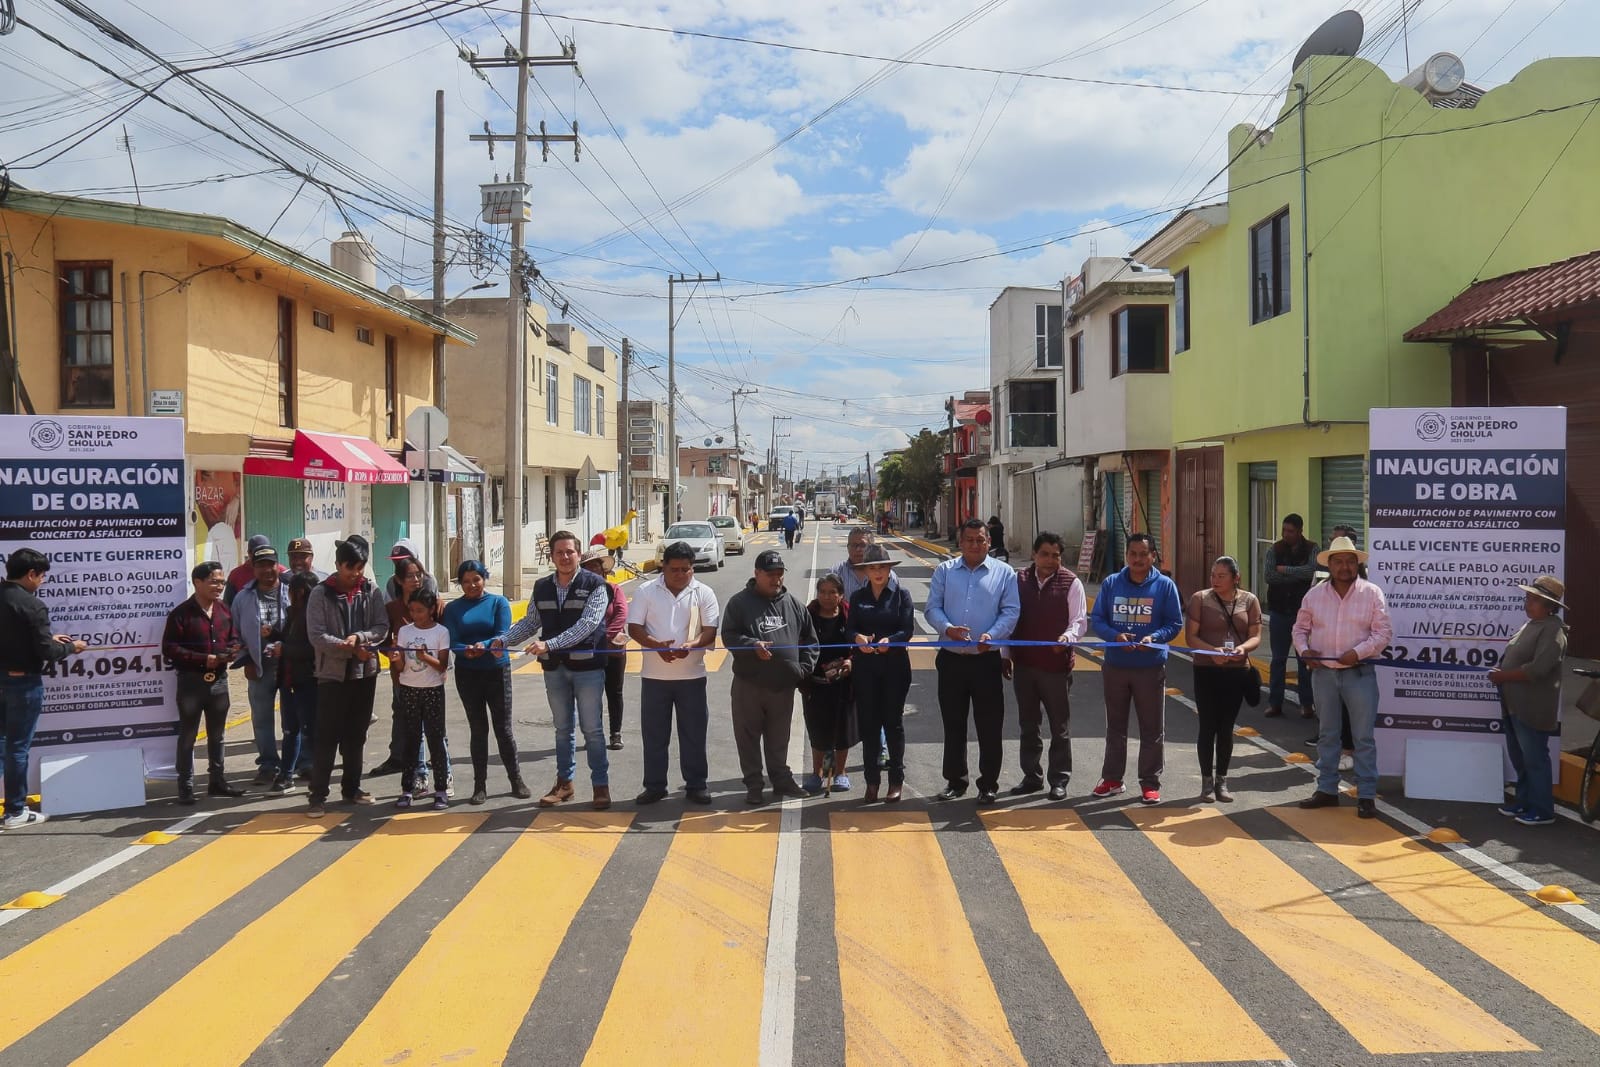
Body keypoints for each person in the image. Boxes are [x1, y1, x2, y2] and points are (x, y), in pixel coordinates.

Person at [504, 530, 612, 810]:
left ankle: (601, 786)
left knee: (593, 730)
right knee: (563, 729)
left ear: (578, 554)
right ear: (551, 556)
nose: (564, 557)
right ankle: (565, 784)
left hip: (587, 667)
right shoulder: (541, 587)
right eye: (559, 552)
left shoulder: (596, 585)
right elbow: (530, 623)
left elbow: (588, 625)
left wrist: (549, 644)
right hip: (554, 670)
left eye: (570, 552)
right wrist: (500, 641)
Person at [1294, 535, 1392, 818]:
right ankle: (1326, 790)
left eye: (1350, 562)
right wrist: (1305, 651)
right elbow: (1300, 630)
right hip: (1323, 674)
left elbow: (1383, 633)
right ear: (1330, 565)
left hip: (1359, 673)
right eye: (1339, 562)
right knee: (1328, 735)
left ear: (1357, 565)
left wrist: (1358, 653)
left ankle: (1366, 795)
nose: (1345, 567)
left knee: (1363, 738)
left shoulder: (1372, 593)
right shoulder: (1314, 595)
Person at [925, 518, 1020, 804]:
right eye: (969, 539)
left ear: (989, 542)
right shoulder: (944, 571)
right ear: (960, 541)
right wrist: (947, 629)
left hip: (986, 661)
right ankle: (956, 781)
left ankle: (988, 784)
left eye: (981, 539)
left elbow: (1011, 611)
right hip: (951, 661)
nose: (975, 545)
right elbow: (932, 608)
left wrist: (993, 634)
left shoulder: (1005, 573)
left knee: (989, 726)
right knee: (954, 725)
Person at [1088, 532, 1184, 804]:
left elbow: (1175, 624)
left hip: (1150, 668)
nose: (1138, 559)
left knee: (1151, 728)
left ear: (1153, 555)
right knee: (1115, 728)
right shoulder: (1110, 584)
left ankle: (1150, 783)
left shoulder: (1165, 586)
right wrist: (1115, 637)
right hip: (1116, 667)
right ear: (1126, 555)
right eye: (1133, 554)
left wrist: (1154, 638)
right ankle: (1112, 779)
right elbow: (1098, 619)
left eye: (1144, 554)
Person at [720, 549, 817, 804]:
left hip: (782, 688)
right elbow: (729, 635)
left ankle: (781, 780)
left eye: (779, 574)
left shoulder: (794, 605)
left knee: (779, 737)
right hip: (748, 685)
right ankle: (754, 784)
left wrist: (802, 670)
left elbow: (811, 640)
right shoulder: (739, 603)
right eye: (770, 575)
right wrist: (752, 645)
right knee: (748, 737)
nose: (776, 580)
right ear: (756, 574)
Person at [0, 548, 86, 828]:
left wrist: (49, 639)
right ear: (31, 574)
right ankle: (15, 811)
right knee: (17, 748)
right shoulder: (32, 605)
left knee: (2, 745)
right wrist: (71, 647)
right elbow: (47, 651)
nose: (43, 581)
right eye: (42, 576)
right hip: (23, 684)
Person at [305, 535, 390, 817]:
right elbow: (317, 636)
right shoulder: (321, 593)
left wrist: (360, 637)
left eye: (360, 568)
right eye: (350, 568)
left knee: (357, 735)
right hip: (331, 675)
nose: (355, 574)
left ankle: (352, 788)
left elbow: (381, 627)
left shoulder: (371, 591)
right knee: (327, 736)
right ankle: (318, 795)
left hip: (365, 674)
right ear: (338, 564)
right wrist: (350, 649)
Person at [629, 541, 720, 804]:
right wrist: (654, 645)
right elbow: (634, 627)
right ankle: (655, 785)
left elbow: (710, 630)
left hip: (692, 677)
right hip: (654, 678)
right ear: (663, 567)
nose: (681, 574)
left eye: (686, 569)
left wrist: (693, 645)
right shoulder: (646, 591)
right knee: (655, 735)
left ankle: (696, 784)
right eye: (675, 569)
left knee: (693, 734)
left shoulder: (704, 593)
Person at [1005, 532, 1086, 802]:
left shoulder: (1071, 583)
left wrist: (1067, 638)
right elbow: (1009, 619)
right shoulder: (1018, 581)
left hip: (1056, 667)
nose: (1050, 560)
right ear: (1034, 554)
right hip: (1025, 666)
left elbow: (1079, 621)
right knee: (1028, 724)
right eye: (1045, 554)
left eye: (1055, 555)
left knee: (1059, 726)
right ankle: (1032, 777)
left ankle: (1059, 779)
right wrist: (1005, 654)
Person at [162, 561, 247, 805]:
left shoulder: (223, 610)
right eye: (213, 581)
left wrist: (232, 650)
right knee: (188, 734)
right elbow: (169, 648)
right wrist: (203, 659)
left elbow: (233, 638)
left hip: (219, 681)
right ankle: (186, 785)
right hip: (191, 682)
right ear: (197, 582)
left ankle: (217, 781)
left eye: (221, 582)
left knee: (218, 735)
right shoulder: (181, 613)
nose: (219, 586)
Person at [442, 560, 526, 804]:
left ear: (484, 579)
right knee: (478, 730)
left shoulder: (498, 602)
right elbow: (451, 639)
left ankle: (516, 779)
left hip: (496, 671)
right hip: (467, 674)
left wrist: (485, 646)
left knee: (503, 728)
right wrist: (464, 649)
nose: (472, 585)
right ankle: (480, 786)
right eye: (466, 581)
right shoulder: (453, 608)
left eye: (476, 580)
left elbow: (503, 634)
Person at [1488, 575, 1568, 827]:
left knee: (1534, 758)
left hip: (1532, 706)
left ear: (1550, 606)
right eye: (1528, 598)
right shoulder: (1532, 624)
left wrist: (1504, 675)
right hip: (1513, 702)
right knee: (1520, 757)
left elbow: (1538, 669)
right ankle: (1524, 801)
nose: (1528, 603)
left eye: (1534, 600)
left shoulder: (1553, 630)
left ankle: (1543, 810)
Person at [1185, 557, 1262, 803]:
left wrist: (1242, 649)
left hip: (1236, 671)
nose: (1215, 580)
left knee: (1226, 727)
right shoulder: (1200, 599)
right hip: (1206, 669)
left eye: (1221, 576)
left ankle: (1222, 780)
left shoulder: (1250, 601)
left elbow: (1255, 636)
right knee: (1208, 725)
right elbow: (1191, 637)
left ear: (1235, 578)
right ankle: (1206, 782)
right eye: (1213, 575)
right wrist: (1212, 652)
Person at [846, 546, 916, 802]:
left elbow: (907, 629)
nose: (878, 572)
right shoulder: (857, 597)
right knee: (869, 726)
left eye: (882, 567)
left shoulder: (902, 596)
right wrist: (857, 637)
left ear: (889, 569)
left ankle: (895, 780)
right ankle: (871, 781)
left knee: (893, 724)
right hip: (865, 669)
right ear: (865, 571)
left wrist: (891, 640)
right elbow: (849, 628)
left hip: (895, 668)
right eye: (872, 567)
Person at [377, 558, 448, 796]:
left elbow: (444, 640)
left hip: (432, 681)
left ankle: (443, 774)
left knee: (437, 732)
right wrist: (394, 653)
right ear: (398, 580)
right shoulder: (392, 610)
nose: (416, 580)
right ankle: (419, 776)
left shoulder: (436, 605)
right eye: (410, 576)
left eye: (419, 575)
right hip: (404, 680)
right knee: (413, 732)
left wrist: (436, 663)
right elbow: (384, 644)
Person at [230, 542, 292, 791]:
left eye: (270, 564)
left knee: (294, 719)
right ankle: (268, 765)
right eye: (261, 565)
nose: (267, 570)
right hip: (259, 666)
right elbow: (234, 632)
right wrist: (244, 659)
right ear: (253, 568)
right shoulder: (243, 597)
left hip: (289, 665)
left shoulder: (291, 591)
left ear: (278, 565)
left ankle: (299, 763)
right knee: (262, 718)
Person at [392, 588, 452, 811]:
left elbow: (442, 666)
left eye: (420, 610)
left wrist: (425, 656)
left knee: (436, 740)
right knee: (410, 740)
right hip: (409, 689)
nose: (416, 615)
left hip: (433, 690)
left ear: (430, 610)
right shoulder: (404, 632)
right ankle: (407, 789)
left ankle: (441, 790)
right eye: (412, 610)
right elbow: (400, 667)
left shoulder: (441, 632)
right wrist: (396, 658)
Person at [803, 573, 856, 794]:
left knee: (841, 730)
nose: (826, 597)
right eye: (822, 592)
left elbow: (858, 645)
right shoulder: (808, 616)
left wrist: (851, 662)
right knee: (818, 729)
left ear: (840, 594)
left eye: (832, 592)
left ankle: (840, 772)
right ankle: (818, 773)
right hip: (816, 684)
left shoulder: (849, 616)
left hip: (843, 683)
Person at [1262, 514, 1318, 719]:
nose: (1286, 534)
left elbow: (1311, 572)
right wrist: (1296, 573)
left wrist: (1285, 570)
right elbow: (1269, 576)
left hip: (1302, 613)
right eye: (1284, 530)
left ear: (1300, 531)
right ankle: (1274, 703)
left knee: (1305, 659)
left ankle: (1307, 703)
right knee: (1278, 659)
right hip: (1278, 611)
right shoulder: (1274, 550)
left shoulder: (1312, 549)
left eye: (1291, 531)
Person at [581, 547, 631, 751]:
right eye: (588, 568)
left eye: (596, 567)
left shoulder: (614, 589)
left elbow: (621, 614)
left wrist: (603, 638)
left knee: (614, 692)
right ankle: (595, 734)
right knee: (592, 694)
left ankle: (615, 734)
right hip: (588, 651)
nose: (593, 571)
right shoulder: (580, 593)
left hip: (612, 650)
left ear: (603, 570)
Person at [280, 571, 321, 781]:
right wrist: (273, 636)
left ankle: (315, 772)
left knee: (308, 730)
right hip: (291, 680)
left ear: (300, 591)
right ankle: (286, 774)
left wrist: (284, 650)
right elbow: (288, 639)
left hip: (307, 680)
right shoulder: (294, 613)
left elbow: (312, 649)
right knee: (290, 730)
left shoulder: (311, 616)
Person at [832, 527, 897, 601]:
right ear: (847, 547)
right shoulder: (836, 572)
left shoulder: (889, 576)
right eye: (853, 545)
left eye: (862, 545)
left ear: (872, 547)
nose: (858, 549)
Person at [224, 534, 284, 607]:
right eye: (256, 552)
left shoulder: (281, 571)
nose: (267, 570)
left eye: (264, 551)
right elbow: (227, 606)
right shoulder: (235, 575)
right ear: (249, 553)